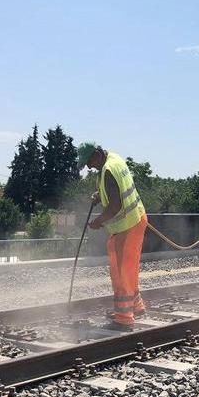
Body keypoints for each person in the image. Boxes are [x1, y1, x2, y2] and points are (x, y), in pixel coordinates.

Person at [77, 142, 147, 331]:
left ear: (97, 153)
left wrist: (98, 221)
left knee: (121, 273)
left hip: (128, 226)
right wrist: (101, 195)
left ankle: (124, 318)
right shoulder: (114, 159)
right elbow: (114, 190)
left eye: (89, 161)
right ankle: (136, 306)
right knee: (129, 269)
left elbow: (115, 206)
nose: (89, 166)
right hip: (135, 220)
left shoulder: (107, 170)